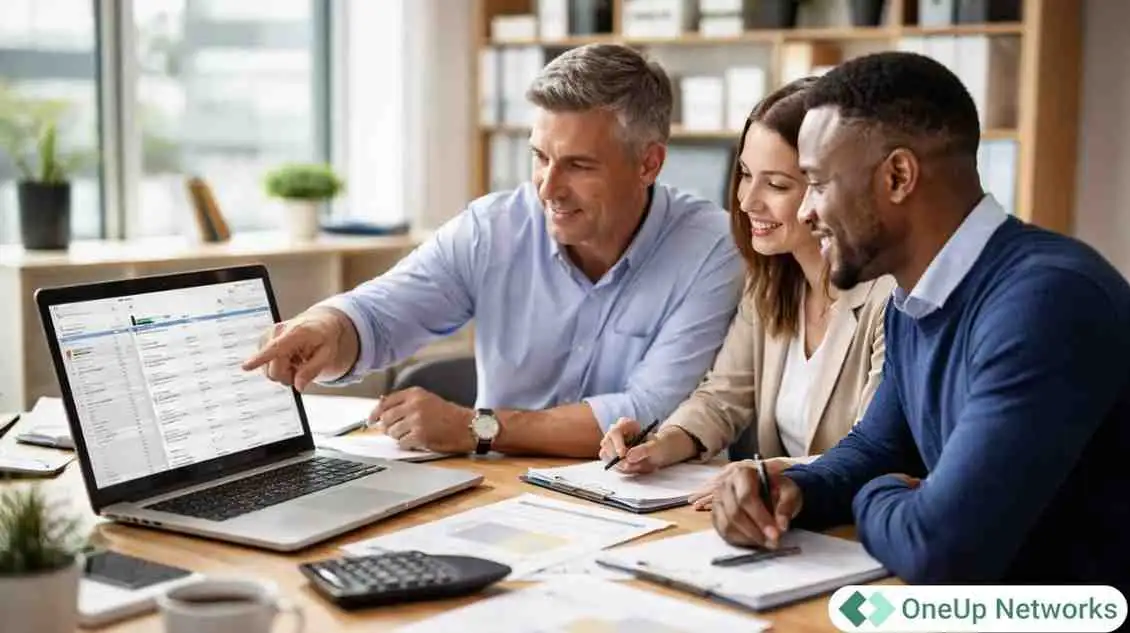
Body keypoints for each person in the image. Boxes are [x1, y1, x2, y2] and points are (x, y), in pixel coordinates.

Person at [711, 50, 1130, 588]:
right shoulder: (915, 300)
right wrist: (793, 490)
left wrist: (876, 493)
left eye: (817, 183)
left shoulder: (1046, 302)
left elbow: (940, 549)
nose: (808, 212)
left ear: (898, 176)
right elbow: (877, 449)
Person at [242, 43, 744, 459]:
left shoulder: (712, 248)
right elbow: (381, 314)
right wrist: (327, 328)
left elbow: (650, 412)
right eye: (540, 157)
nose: (548, 188)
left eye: (579, 165)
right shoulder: (494, 227)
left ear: (648, 164)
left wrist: (477, 428)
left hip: (647, 505)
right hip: (500, 494)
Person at [598, 78, 894, 507]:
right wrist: (660, 445)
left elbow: (876, 451)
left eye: (777, 185)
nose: (747, 201)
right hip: (779, 520)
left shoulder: (889, 299)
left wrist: (769, 474)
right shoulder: (770, 281)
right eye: (746, 175)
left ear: (831, 189)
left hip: (849, 521)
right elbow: (722, 397)